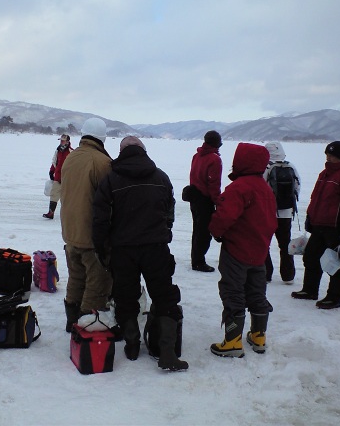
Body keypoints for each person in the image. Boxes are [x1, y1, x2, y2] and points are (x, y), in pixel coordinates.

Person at [93, 136, 188, 371]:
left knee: (126, 298)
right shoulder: (161, 177)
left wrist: (101, 249)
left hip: (123, 250)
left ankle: (132, 344)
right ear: (143, 151)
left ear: (122, 152)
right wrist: (164, 232)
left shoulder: (111, 179)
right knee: (165, 297)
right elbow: (169, 211)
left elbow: (100, 220)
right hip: (156, 248)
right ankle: (166, 351)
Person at [208, 143, 277, 358]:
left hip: (236, 250)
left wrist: (215, 231)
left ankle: (233, 341)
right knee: (257, 293)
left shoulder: (239, 187)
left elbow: (224, 217)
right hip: (259, 252)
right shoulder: (265, 188)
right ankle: (258, 336)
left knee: (232, 291)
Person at [292, 141, 340, 309]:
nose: (328, 158)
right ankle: (310, 290)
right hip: (319, 224)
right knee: (310, 257)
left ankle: (335, 296)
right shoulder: (325, 174)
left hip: (336, 227)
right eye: (327, 155)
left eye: (332, 156)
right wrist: (310, 217)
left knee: (336, 262)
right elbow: (315, 198)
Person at [59, 117, 113, 332]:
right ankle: (85, 324)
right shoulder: (102, 162)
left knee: (76, 278)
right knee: (96, 281)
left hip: (70, 231)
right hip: (91, 235)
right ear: (103, 138)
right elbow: (109, 201)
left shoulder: (71, 157)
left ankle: (71, 319)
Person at [263, 141, 301, 284]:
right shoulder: (290, 166)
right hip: (286, 213)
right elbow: (297, 186)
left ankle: (266, 273)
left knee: (264, 244)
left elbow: (261, 187)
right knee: (285, 244)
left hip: (268, 213)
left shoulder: (266, 167)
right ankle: (288, 275)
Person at [188, 130, 223, 272]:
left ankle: (196, 259)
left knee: (197, 230)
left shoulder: (197, 155)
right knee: (203, 232)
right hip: (204, 199)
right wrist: (218, 201)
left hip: (194, 197)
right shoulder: (214, 159)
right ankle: (198, 262)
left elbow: (194, 176)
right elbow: (214, 184)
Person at [42, 134, 73, 219]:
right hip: (58, 177)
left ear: (67, 141)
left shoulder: (71, 152)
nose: (61, 142)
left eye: (63, 140)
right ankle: (51, 213)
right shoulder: (58, 150)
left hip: (67, 178)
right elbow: (54, 161)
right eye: (60, 140)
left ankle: (68, 215)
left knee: (66, 197)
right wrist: (52, 171)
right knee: (54, 194)